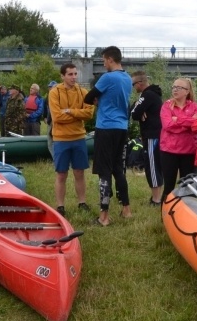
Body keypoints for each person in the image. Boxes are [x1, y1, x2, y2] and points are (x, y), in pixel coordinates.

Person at [84, 46, 133, 226]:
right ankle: (126, 209)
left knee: (104, 171)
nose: (103, 63)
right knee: (118, 169)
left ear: (111, 59)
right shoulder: (127, 78)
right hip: (122, 127)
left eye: (104, 60)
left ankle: (104, 216)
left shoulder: (107, 77)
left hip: (106, 127)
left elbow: (88, 98)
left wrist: (98, 100)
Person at [48, 63, 95, 216]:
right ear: (62, 76)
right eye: (70, 74)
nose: (74, 77)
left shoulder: (83, 92)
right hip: (61, 139)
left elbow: (89, 114)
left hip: (79, 137)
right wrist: (77, 114)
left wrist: (69, 111)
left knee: (79, 172)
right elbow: (57, 117)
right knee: (61, 174)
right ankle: (60, 206)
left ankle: (82, 202)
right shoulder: (55, 93)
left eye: (75, 74)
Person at [159, 78, 197, 204]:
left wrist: (178, 120)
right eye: (174, 87)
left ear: (187, 91)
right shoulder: (166, 105)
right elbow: (167, 125)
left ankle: (187, 215)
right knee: (169, 186)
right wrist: (187, 123)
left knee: (187, 187)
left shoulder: (194, 106)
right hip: (169, 151)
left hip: (188, 151)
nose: (175, 89)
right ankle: (165, 215)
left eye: (179, 87)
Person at [130, 70, 163, 206]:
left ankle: (156, 199)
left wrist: (137, 109)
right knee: (153, 165)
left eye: (134, 85)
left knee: (152, 167)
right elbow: (135, 109)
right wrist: (137, 107)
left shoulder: (147, 95)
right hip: (154, 135)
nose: (133, 88)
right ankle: (156, 197)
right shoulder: (152, 94)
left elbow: (134, 113)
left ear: (140, 83)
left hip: (152, 136)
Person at [46, 80, 58, 158]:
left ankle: (56, 159)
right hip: (51, 121)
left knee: (52, 142)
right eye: (49, 87)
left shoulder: (55, 97)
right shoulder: (49, 97)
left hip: (54, 122)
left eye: (51, 87)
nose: (50, 89)